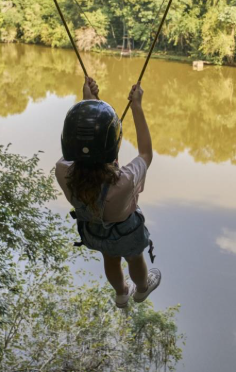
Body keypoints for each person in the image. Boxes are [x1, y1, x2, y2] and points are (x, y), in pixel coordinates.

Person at [55, 76, 161, 309]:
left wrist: (89, 104)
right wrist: (136, 107)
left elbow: (84, 150)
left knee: (110, 258)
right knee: (134, 258)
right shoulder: (123, 182)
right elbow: (145, 154)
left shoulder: (63, 172)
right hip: (127, 231)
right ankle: (142, 289)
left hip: (93, 230)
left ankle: (121, 293)